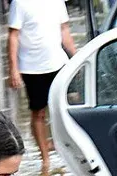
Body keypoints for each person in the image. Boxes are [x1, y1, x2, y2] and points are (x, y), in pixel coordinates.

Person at [7, 0, 77, 167]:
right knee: (38, 113)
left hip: (58, 63)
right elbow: (13, 36)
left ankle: (61, 148)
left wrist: (76, 57)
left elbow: (64, 30)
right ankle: (45, 158)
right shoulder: (20, 3)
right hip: (32, 68)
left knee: (65, 107)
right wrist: (14, 69)